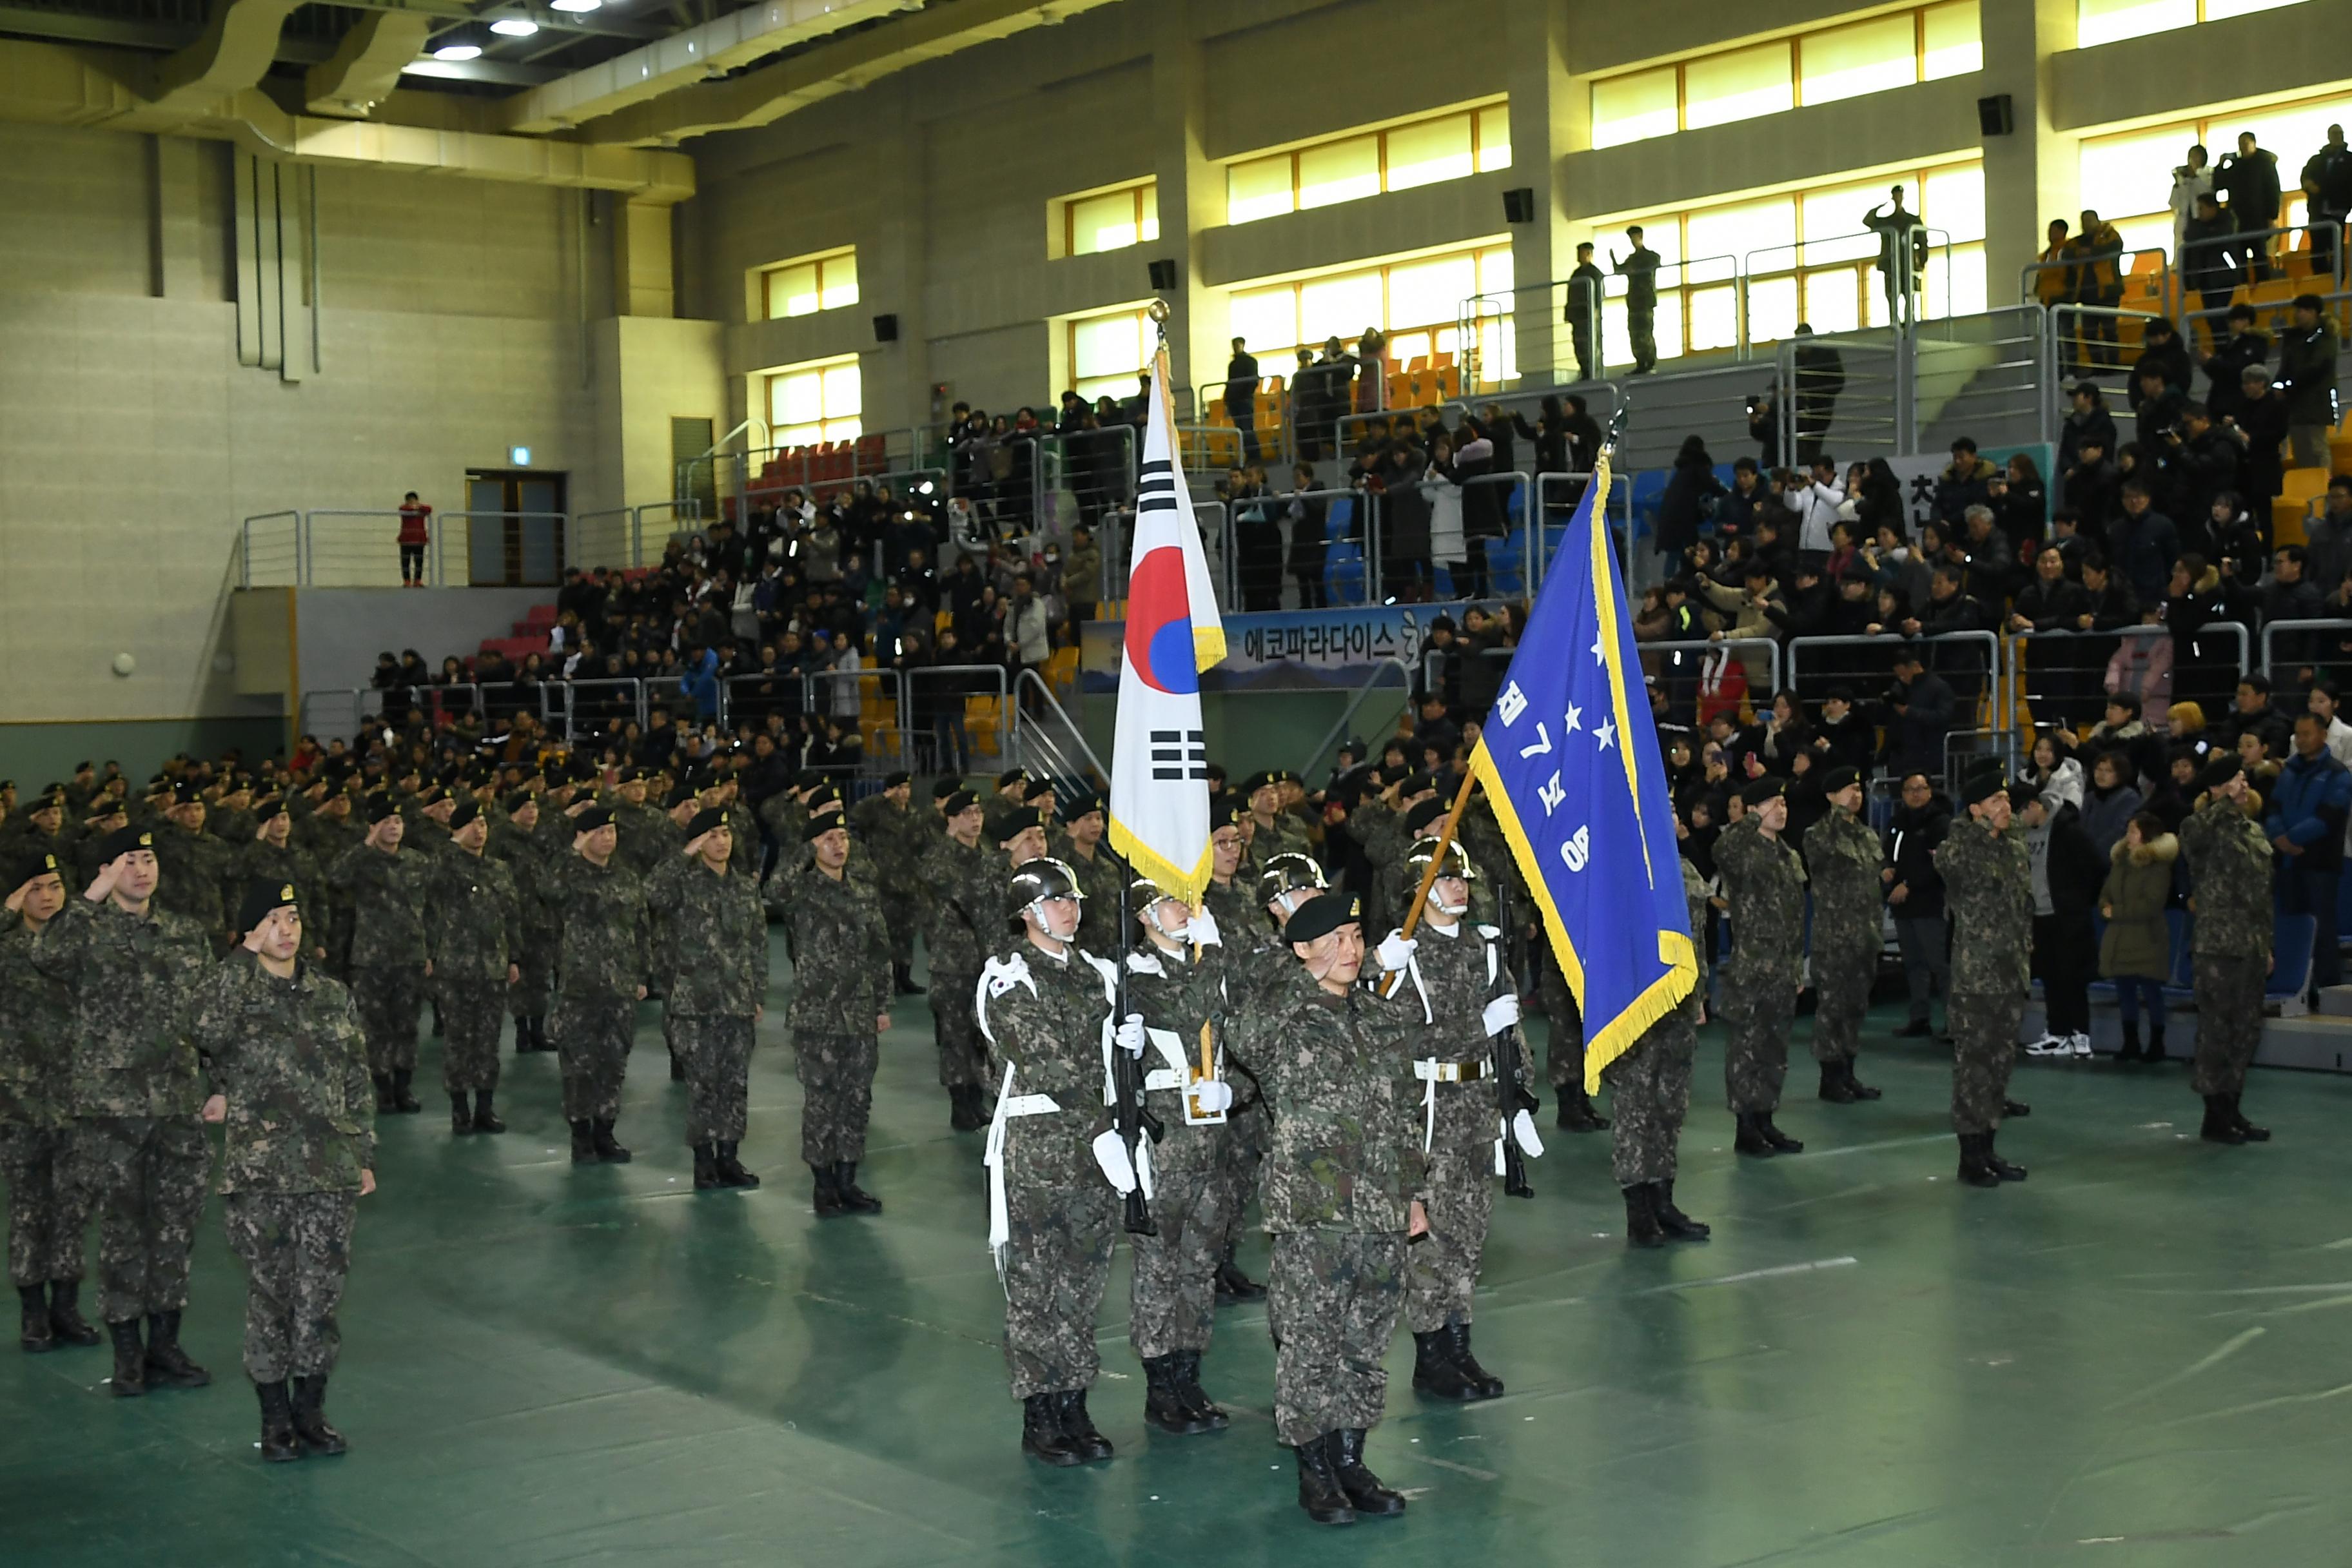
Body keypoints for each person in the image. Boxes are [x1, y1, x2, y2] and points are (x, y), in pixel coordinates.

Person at [1233, 891, 1426, 1525]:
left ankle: (1352, 1457)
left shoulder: (1382, 1016)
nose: (1352, 948)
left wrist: (1414, 1192)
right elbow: (1242, 1031)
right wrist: (1301, 978)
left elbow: (1404, 1114)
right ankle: (1315, 1469)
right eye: (1336, 937)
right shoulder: (1284, 1018)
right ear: (1303, 948)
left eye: (1356, 935)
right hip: (1315, 1209)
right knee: (1311, 1342)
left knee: (1366, 1340)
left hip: (1381, 1205)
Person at [28, 825, 214, 1396]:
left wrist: (221, 1084)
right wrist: (90, 896)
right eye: (129, 861)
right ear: (110, 872)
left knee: (175, 1229)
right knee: (122, 1232)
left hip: (178, 1105)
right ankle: (128, 1351)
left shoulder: (184, 933)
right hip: (111, 1111)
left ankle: (166, 1344)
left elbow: (212, 1017)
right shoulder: (84, 932)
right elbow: (47, 954)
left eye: (149, 859)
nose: (142, 869)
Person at [193, 879, 373, 1462]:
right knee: (272, 1298)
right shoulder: (235, 993)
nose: (287, 930)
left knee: (320, 1298)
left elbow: (355, 1078)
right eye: (272, 919)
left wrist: (363, 1154)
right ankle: (274, 1421)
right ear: (251, 932)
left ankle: (311, 1413)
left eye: (293, 918)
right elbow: (203, 1030)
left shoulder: (330, 993)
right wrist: (241, 959)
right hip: (262, 1173)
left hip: (328, 1171)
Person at [975, 858, 1134, 1468]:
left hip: (1097, 1152)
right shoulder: (1009, 978)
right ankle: (1040, 1410)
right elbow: (1045, 1060)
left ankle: (1074, 1401)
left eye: (1072, 898)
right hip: (1041, 1151)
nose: (1069, 908)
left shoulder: (1097, 975)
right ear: (1027, 914)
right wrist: (1103, 1129)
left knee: (1084, 1283)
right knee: (1037, 1287)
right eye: (1054, 900)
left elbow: (1113, 1060)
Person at [1378, 837, 1529, 1405]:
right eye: (1445, 879)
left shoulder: (1484, 950)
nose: (1459, 886)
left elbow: (1509, 1029)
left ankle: (1460, 1342)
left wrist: (1519, 1102)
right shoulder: (1402, 958)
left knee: (1469, 1235)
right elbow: (1397, 1040)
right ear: (1418, 891)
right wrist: (1476, 1026)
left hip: (1477, 1105)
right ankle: (1430, 1353)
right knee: (1430, 1240)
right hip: (1429, 1110)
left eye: (1463, 878)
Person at [1119, 882, 1238, 1435]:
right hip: (1165, 1142)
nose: (1187, 913)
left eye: (1190, 903)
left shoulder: (1204, 966)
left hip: (1211, 1137)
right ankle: (1161, 1385)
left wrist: (1232, 1088)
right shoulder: (1135, 975)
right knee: (1159, 1268)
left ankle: (1190, 1374)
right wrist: (1211, 954)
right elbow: (1191, 1013)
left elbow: (1234, 1032)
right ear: (1146, 915)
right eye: (1174, 904)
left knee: (1200, 1265)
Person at [1, 850, 99, 1355]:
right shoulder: (6, 947)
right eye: (35, 887)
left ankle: (66, 1306)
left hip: (75, 1098)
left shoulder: (78, 947)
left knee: (72, 1208)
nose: (47, 897)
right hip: (18, 1101)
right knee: (28, 1210)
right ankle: (33, 1313)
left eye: (55, 886)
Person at [769, 814, 888, 1210]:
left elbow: (878, 951)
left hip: (859, 1012)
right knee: (822, 1099)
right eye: (829, 839)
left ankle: (848, 1179)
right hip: (817, 1014)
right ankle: (822, 1184)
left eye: (843, 838)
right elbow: (774, 888)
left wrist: (882, 1005)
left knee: (857, 1099)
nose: (839, 845)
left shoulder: (862, 892)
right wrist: (805, 847)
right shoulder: (802, 891)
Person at [1607, 848, 1713, 1248]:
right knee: (1636, 1105)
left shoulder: (1682, 864)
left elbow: (1696, 936)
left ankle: (1663, 1200)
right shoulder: (1620, 866)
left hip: (1681, 1002)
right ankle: (1638, 1210)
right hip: (1638, 1002)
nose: (1670, 814)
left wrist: (1698, 994)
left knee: (1671, 1103)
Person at [1936, 763, 2034, 1190]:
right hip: (1977, 976)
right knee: (1974, 1068)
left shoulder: (2013, 846)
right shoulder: (1960, 846)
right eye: (1996, 800)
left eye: (2007, 799)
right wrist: (1980, 828)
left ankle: (1990, 1147)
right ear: (1976, 809)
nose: (2005, 806)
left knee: (1999, 1065)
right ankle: (1970, 1155)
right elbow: (1947, 863)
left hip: (2010, 972)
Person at [2179, 756, 2276, 1144]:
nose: (2243, 783)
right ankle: (2214, 1114)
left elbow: (2262, 897)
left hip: (2250, 945)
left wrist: (2266, 945)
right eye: (2235, 778)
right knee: (2216, 1031)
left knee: (2245, 1031)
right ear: (2217, 787)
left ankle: (2233, 1108)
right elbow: (2194, 839)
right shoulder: (2199, 825)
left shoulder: (2252, 831)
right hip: (2218, 945)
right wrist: (2220, 801)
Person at [549, 805, 650, 1166]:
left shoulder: (626, 876)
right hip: (581, 985)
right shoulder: (570, 874)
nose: (608, 838)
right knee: (578, 1064)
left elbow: (640, 926)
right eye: (599, 832)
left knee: (613, 1061)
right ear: (584, 837)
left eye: (611, 832)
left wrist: (642, 975)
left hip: (620, 986)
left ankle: (605, 1132)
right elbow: (550, 889)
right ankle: (581, 1136)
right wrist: (573, 851)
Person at [1714, 778, 1808, 1156]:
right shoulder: (1741, 847)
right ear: (1753, 810)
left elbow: (1796, 916)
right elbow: (1722, 848)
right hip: (1753, 967)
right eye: (1772, 802)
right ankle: (1745, 1127)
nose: (1781, 809)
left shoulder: (1789, 855)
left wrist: (1797, 967)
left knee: (1775, 1049)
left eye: (1784, 802)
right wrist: (1752, 818)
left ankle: (1766, 1117)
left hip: (1783, 968)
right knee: (1747, 1048)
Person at [326, 798, 431, 1115]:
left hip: (410, 954)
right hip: (372, 956)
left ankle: (404, 1086)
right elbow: (335, 877)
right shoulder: (362, 861)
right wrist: (365, 845)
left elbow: (432, 908)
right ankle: (383, 1088)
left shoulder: (417, 861)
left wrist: (430, 950)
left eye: (398, 821)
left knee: (408, 1024)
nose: (394, 827)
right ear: (373, 828)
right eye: (386, 822)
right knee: (375, 1026)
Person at [424, 801, 520, 1135]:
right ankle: (460, 1109)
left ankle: (485, 1107)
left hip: (493, 966)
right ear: (456, 831)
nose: (480, 831)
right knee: (458, 1039)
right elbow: (432, 880)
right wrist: (453, 841)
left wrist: (514, 957)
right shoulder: (446, 864)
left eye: (483, 824)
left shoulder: (499, 869)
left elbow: (511, 916)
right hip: (456, 966)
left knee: (489, 1041)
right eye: (471, 825)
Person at [1804, 767, 1885, 1105]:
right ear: (1831, 795)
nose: (1857, 795)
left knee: (1855, 1007)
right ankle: (1830, 1077)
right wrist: (1838, 813)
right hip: (1835, 938)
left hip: (1864, 937)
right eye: (1848, 789)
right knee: (1832, 1009)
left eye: (1859, 788)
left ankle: (1849, 1072)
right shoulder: (1819, 834)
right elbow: (1821, 851)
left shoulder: (1866, 836)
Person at [920, 789, 991, 1130]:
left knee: (981, 1034)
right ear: (951, 819)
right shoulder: (940, 858)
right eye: (966, 814)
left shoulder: (986, 854)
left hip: (985, 960)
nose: (975, 820)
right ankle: (960, 1103)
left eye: (978, 812)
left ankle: (977, 1097)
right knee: (955, 1035)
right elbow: (966, 895)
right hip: (952, 961)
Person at [2266, 712, 2349, 999]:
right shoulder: (2288, 771)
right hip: (2287, 864)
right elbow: (2273, 808)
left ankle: (2328, 991)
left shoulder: (2338, 773)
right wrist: (2279, 838)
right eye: (2297, 735)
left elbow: (2329, 817)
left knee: (2322, 930)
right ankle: (2292, 987)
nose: (2300, 740)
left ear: (2323, 735)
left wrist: (2292, 838)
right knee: (2288, 926)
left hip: (2319, 864)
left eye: (2306, 734)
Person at [2019, 789, 2104, 1059]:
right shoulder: (2022, 836)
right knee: (2050, 977)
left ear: (2034, 806)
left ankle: (2081, 1034)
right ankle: (2057, 1033)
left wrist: (2076, 900)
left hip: (2067, 916)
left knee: (2073, 978)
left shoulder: (2068, 831)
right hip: (2038, 916)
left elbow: (2097, 867)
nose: (2018, 818)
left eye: (2021, 812)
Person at [848, 772, 925, 995]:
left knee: (907, 932)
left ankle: (904, 976)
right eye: (898, 788)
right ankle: (886, 979)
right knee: (885, 932)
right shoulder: (878, 811)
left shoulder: (913, 815)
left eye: (906, 788)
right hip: (884, 880)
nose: (903, 793)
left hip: (909, 881)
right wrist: (882, 798)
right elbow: (856, 814)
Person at [2278, 293, 2342, 469]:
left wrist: (2288, 387)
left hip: (2316, 400)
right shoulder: (2293, 338)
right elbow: (2284, 368)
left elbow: (2317, 368)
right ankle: (2310, 484)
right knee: (2301, 448)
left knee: (2316, 446)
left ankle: (2322, 484)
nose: (2298, 314)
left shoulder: (2325, 336)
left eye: (2303, 310)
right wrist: (2279, 385)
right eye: (2298, 310)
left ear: (2314, 313)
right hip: (2296, 402)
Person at [2215, 131, 2282, 281]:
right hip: (2239, 219)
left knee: (2260, 255)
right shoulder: (2237, 166)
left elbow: (2273, 190)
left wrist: (2272, 216)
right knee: (2240, 258)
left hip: (2259, 218)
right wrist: (2221, 165)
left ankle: (2264, 287)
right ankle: (2244, 288)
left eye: (2246, 143)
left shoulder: (2265, 163)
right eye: (2240, 144)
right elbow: (2218, 185)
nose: (2243, 147)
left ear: (2254, 143)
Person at [1861, 186, 1926, 326]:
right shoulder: (1887, 221)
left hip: (1907, 264)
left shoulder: (1912, 221)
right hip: (1891, 265)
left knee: (1909, 294)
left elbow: (1923, 242)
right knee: (1892, 297)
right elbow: (1868, 220)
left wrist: (1922, 262)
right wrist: (1881, 206)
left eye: (1899, 195)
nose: (1898, 198)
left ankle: (1909, 321)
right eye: (1895, 195)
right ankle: (1894, 322)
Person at [1613, 226, 1661, 374]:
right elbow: (1620, 270)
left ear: (1640, 236)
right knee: (1634, 333)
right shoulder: (1632, 258)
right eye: (1631, 238)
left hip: (1645, 300)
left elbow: (1654, 263)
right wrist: (1614, 261)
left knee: (1645, 332)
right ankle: (1641, 362)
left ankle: (1650, 362)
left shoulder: (1650, 256)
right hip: (1634, 301)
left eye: (1634, 237)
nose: (1632, 240)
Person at [1564, 240, 1605, 382]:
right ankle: (1584, 371)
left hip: (1588, 315)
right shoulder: (1576, 274)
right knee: (1579, 345)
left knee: (1590, 345)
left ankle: (1592, 372)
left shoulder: (1595, 273)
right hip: (1578, 316)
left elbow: (1599, 294)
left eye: (1582, 252)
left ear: (1588, 254)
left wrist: (1596, 310)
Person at [1226, 337, 1261, 466]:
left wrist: (1244, 394)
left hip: (1244, 400)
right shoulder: (1233, 364)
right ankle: (1250, 456)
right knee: (1242, 430)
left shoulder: (1250, 362)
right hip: (1235, 401)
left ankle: (1254, 457)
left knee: (1246, 429)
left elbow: (1253, 381)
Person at [397, 491, 431, 588]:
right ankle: (407, 581)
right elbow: (402, 508)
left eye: (414, 500)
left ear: (417, 500)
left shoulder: (422, 510)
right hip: (406, 539)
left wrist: (418, 507)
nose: (412, 502)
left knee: (419, 561)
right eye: (410, 501)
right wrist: (413, 508)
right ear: (407, 501)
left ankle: (418, 580)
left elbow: (429, 509)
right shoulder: (404, 509)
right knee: (405, 561)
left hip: (419, 540)